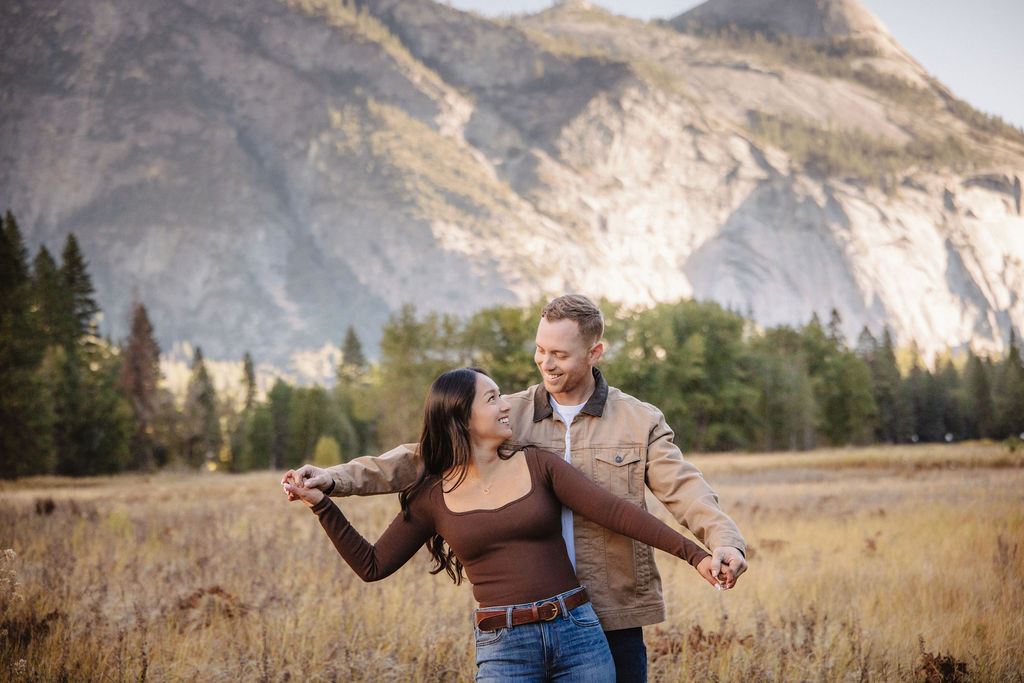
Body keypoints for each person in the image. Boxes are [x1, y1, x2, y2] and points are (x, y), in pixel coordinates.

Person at [285, 294, 747, 681]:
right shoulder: (507, 411)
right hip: (514, 621)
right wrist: (336, 479)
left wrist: (720, 543)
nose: (546, 362)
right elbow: (419, 455)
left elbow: (686, 490)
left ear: (595, 352)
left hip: (610, 609)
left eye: (560, 354)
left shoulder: (639, 420)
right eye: (540, 350)